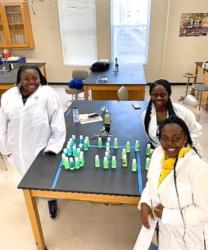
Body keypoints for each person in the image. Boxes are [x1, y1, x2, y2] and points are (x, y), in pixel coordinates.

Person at [0, 65, 66, 218]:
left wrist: (53, 147)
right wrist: (4, 148)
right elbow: (2, 123)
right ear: (19, 80)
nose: (31, 82)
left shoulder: (48, 94)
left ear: (40, 78)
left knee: (46, 178)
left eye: (35, 78)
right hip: (17, 149)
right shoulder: (8, 97)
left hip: (40, 148)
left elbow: (58, 122)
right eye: (26, 79)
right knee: (24, 174)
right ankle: (32, 194)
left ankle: (51, 199)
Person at [134, 115, 208, 250]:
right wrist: (145, 202)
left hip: (187, 239)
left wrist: (167, 215)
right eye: (164, 138)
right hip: (161, 231)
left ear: (185, 138)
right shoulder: (158, 154)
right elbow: (152, 183)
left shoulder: (198, 169)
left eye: (176, 138)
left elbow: (205, 212)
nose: (169, 144)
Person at [142, 79, 202, 153]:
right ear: (150, 95)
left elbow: (197, 130)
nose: (159, 98)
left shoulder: (182, 112)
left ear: (169, 95)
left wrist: (184, 147)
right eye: (155, 95)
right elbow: (149, 137)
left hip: (183, 151)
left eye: (163, 95)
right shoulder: (145, 115)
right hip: (160, 152)